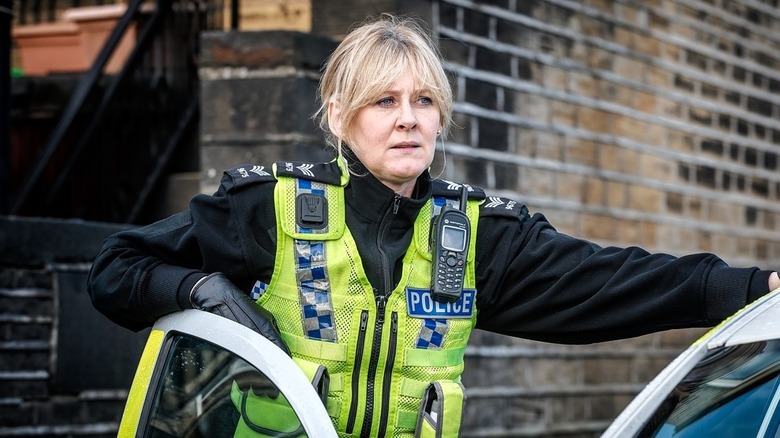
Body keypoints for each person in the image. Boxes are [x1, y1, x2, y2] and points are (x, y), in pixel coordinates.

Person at [88, 14, 780, 437]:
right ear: (338, 115)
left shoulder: (477, 233)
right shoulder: (266, 210)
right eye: (383, 100)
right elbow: (115, 271)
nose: (408, 118)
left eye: (424, 100)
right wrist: (201, 293)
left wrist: (752, 289)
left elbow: (607, 282)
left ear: (441, 116)